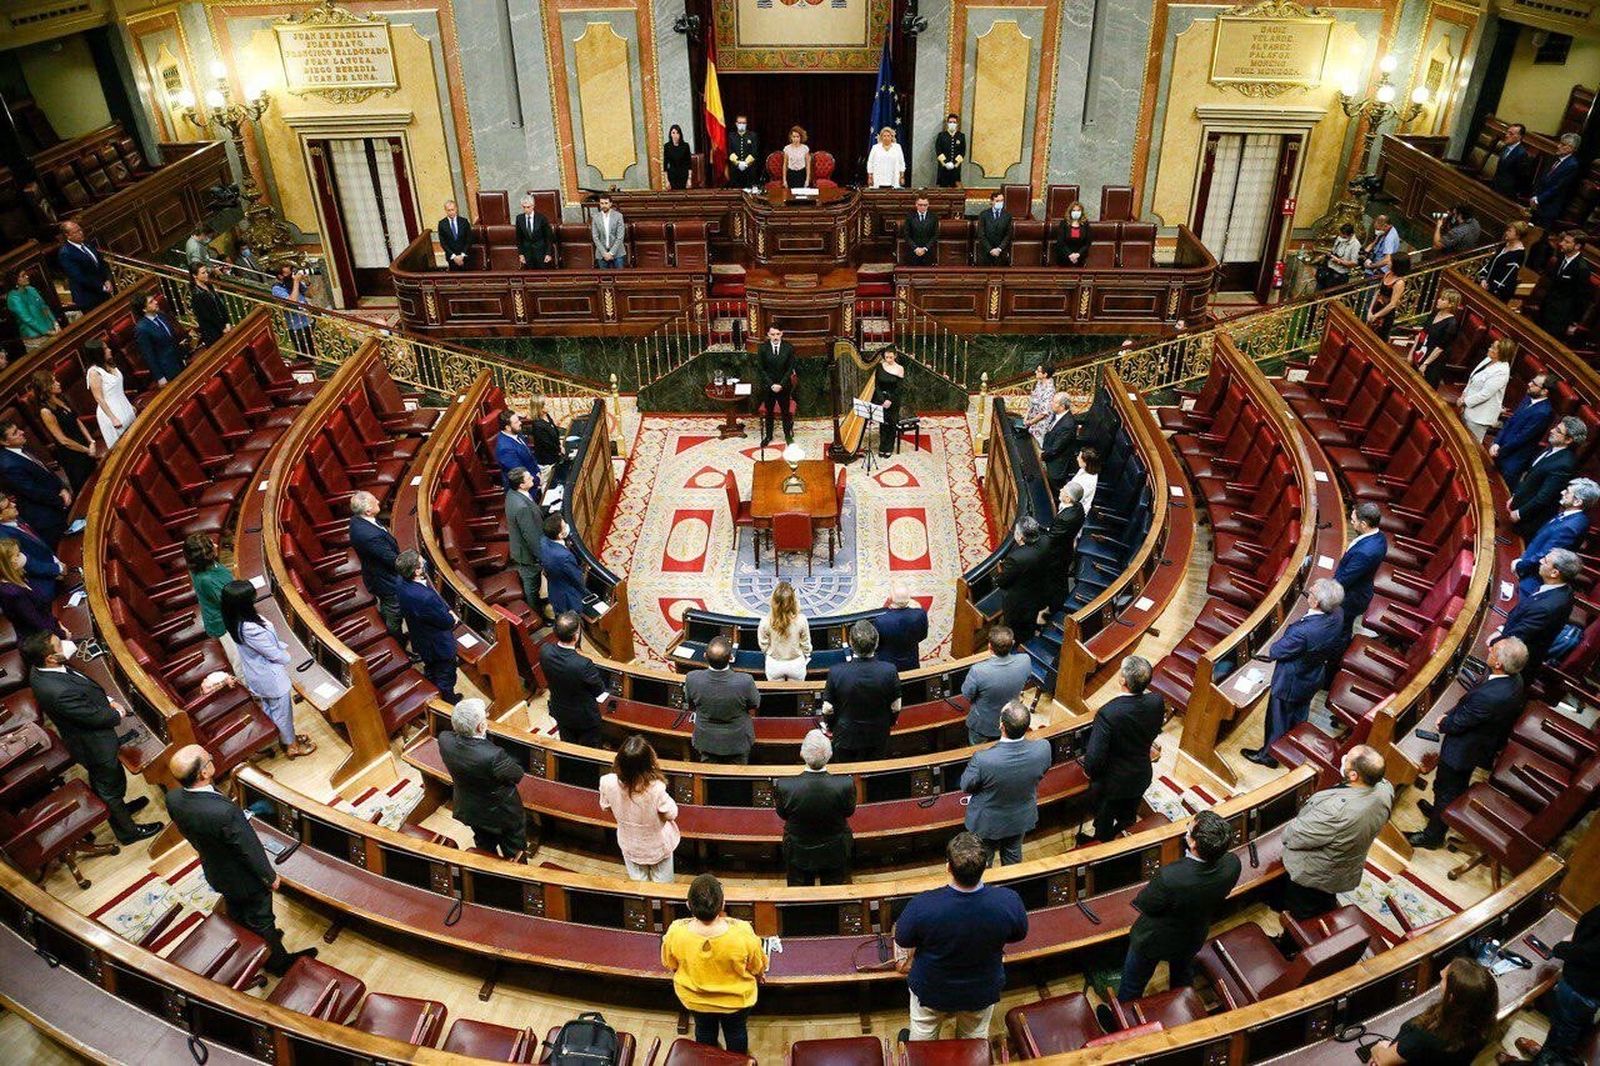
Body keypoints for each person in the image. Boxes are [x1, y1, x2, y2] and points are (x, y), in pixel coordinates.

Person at [166, 744, 317, 975]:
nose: (212, 758)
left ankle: (254, 939)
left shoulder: (174, 798)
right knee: (261, 917)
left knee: (236, 910)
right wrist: (270, 876)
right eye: (209, 759)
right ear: (203, 773)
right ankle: (278, 963)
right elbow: (247, 848)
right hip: (244, 879)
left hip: (215, 869)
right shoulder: (224, 813)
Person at [24, 630, 161, 842]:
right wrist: (117, 712)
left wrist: (106, 698)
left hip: (89, 737)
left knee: (109, 784)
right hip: (94, 745)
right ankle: (128, 832)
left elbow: (81, 691)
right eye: (59, 645)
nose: (66, 645)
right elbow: (93, 717)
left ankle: (120, 810)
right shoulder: (57, 691)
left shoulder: (41, 670)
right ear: (49, 658)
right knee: (109, 787)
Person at [893, 832, 1028, 1041]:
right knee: (973, 1038)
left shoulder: (922, 905)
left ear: (948, 867)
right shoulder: (1009, 900)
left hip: (932, 988)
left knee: (923, 1036)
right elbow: (1019, 934)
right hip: (982, 988)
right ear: (985, 867)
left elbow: (902, 939)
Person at [1113, 809, 1241, 1006]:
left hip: (1154, 939)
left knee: (1133, 984)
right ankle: (1184, 1006)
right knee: (1182, 976)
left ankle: (1122, 1016)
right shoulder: (1233, 864)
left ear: (1193, 844)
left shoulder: (1171, 877)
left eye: (1188, 831)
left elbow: (1146, 904)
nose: (1186, 832)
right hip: (1193, 934)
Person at [1408, 637, 1527, 849]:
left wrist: (1443, 722)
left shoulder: (1491, 697)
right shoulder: (1514, 680)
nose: (1489, 648)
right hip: (1478, 744)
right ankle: (1438, 813)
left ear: (1499, 664)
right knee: (1447, 787)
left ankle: (1433, 836)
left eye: (1494, 650)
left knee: (1448, 789)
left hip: (1462, 751)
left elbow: (1460, 723)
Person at [1280, 744, 1393, 917]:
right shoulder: (1386, 789)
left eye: (1347, 760)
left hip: (1315, 873)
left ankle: (1289, 939)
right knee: (1323, 899)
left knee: (1301, 913)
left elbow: (1293, 837)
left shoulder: (1335, 811)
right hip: (1346, 866)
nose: (1344, 757)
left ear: (1354, 775)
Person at [1244, 578, 1346, 767]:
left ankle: (1268, 756)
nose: (1309, 593)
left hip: (1290, 681)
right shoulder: (1337, 613)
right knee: (1299, 714)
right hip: (1313, 675)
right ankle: (1291, 746)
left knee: (1277, 718)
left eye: (1311, 593)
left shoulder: (1303, 632)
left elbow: (1276, 651)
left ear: (1315, 602)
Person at [661, 874, 767, 1053]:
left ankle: (708, 1059)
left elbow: (669, 963)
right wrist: (759, 974)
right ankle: (737, 1061)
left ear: (688, 905)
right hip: (736, 1000)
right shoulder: (742, 932)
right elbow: (758, 966)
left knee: (704, 1031)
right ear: (723, 905)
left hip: (695, 998)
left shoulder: (675, 931)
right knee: (736, 1032)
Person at [222, 579, 314, 757]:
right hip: (269, 676)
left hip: (258, 673)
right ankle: (292, 746)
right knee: (282, 711)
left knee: (272, 709)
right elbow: (273, 653)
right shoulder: (249, 628)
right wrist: (289, 656)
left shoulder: (234, 619)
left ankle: (283, 737)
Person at [1083, 656, 1164, 843]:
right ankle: (1124, 839)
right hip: (1141, 773)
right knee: (1128, 817)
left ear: (1122, 680)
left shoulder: (1109, 713)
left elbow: (1094, 759)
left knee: (1104, 819)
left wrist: (1090, 772)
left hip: (1112, 783)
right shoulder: (1156, 701)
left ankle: (1103, 845)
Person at [961, 701, 1051, 866]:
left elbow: (966, 785)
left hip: (987, 822)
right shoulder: (1043, 748)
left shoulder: (983, 759)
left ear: (1001, 726)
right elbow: (1042, 772)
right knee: (1013, 859)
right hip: (1019, 817)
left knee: (983, 861)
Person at [438, 697, 526, 858]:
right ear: (481, 726)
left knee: (484, 847)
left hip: (470, 808)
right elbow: (517, 774)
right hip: (502, 813)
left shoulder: (444, 740)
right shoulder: (493, 756)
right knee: (514, 852)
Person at [1371, 959, 1498, 1066]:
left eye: (1443, 979)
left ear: (1451, 997)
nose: (1440, 973)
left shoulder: (1424, 1034)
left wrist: (1379, 1047)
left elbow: (1383, 1060)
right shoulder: (1485, 1026)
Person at [1521, 904, 1600, 1066]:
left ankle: (1547, 1058)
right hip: (1589, 989)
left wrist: (1563, 948)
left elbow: (1590, 955)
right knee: (1575, 1026)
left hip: (1582, 986)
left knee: (1563, 1032)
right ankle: (1551, 1051)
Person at [775, 729, 855, 886]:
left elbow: (782, 814)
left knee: (799, 895)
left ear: (802, 754)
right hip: (835, 849)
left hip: (798, 850)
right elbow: (849, 812)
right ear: (830, 755)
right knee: (835, 891)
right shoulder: (845, 784)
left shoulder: (785, 786)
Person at [599, 735, 679, 881]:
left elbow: (605, 806)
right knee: (662, 889)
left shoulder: (606, 782)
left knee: (640, 887)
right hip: (657, 847)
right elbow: (672, 813)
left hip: (629, 844)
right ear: (648, 764)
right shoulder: (656, 789)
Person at [822, 621, 902, 761]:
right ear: (876, 643)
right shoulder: (889, 670)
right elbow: (896, 706)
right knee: (875, 772)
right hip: (878, 735)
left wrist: (829, 725)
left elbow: (828, 709)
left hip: (846, 736)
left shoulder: (836, 671)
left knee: (846, 774)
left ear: (851, 644)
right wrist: (891, 721)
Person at [1516, 479, 1598, 598]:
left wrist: (1520, 566)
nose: (1562, 492)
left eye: (1568, 492)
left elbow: (1546, 554)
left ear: (1577, 501)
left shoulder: (1570, 527)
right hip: (1529, 562)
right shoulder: (1572, 517)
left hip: (1533, 577)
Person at [395, 549, 459, 702]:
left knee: (431, 668)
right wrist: (452, 617)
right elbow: (445, 622)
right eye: (421, 561)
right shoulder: (424, 598)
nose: (424, 561)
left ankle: (432, 684)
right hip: (438, 645)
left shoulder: (400, 582)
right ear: (417, 571)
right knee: (446, 676)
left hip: (421, 638)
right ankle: (448, 703)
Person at [686, 636, 760, 764]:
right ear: (731, 658)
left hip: (706, 741)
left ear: (705, 656)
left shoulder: (692, 678)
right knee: (738, 779)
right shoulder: (745, 681)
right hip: (737, 741)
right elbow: (754, 703)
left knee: (708, 780)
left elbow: (690, 704)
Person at [1497, 550, 1577, 667]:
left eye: (1545, 561)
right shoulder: (1562, 589)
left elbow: (1517, 638)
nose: (1540, 561)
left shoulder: (1546, 607)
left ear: (1554, 573)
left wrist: (1495, 640)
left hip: (1511, 662)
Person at [540, 610, 609, 746]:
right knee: (590, 749)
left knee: (567, 744)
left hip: (559, 710)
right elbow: (599, 690)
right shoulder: (583, 664)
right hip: (584, 718)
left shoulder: (544, 651)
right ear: (576, 636)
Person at [1510, 417, 1586, 540]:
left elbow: (1543, 497)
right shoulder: (1552, 448)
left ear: (1569, 440)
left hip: (1528, 519)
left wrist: (1520, 513)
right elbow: (1530, 476)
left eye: (1558, 430)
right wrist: (1515, 496)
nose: (1551, 431)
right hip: (1519, 504)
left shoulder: (1565, 464)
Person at [349, 491, 406, 648]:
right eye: (375, 502)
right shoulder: (369, 536)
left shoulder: (358, 520)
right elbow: (392, 560)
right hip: (386, 581)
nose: (379, 502)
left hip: (379, 573)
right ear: (367, 511)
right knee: (394, 615)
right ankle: (397, 645)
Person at [0, 420, 70, 548]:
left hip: (55, 504)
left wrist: (62, 488)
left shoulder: (20, 448)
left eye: (18, 429)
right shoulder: (8, 465)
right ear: (4, 442)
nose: (22, 432)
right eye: (15, 433)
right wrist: (60, 500)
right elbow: (34, 492)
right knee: (67, 547)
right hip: (46, 518)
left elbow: (44, 470)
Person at [1331, 503, 1388, 654]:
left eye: (1354, 520)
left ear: (1364, 524)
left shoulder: (1365, 552)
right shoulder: (1380, 537)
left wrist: (1323, 589)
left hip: (1352, 598)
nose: (1351, 522)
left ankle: (1336, 658)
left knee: (1342, 629)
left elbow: (1344, 579)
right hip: (1360, 588)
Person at [961, 626, 1031, 746]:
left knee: (977, 751)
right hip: (1011, 720)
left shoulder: (978, 670)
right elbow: (1027, 680)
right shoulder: (1025, 660)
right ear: (1013, 643)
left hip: (983, 725)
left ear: (989, 647)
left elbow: (967, 694)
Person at [29, 370, 96, 492]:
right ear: (45, 387)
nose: (58, 383)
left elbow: (77, 421)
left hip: (84, 445)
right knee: (87, 488)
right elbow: (63, 440)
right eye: (53, 382)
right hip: (73, 455)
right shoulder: (45, 411)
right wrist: (86, 450)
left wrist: (91, 441)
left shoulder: (61, 398)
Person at [185, 534, 242, 673]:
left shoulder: (203, 566)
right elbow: (229, 602)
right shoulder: (207, 579)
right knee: (239, 661)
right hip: (223, 623)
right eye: (212, 546)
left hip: (225, 612)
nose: (216, 545)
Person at [1493, 372, 1556, 487]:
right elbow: (1510, 422)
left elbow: (1522, 438)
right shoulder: (1528, 398)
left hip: (1512, 461)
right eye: (1532, 380)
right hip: (1501, 451)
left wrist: (1500, 450)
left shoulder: (1544, 413)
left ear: (1544, 391)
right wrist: (1496, 442)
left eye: (1534, 384)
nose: (1529, 384)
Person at [996, 518, 1050, 644]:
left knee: (1016, 629)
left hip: (1019, 602)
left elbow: (1002, 581)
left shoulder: (1016, 558)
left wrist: (997, 578)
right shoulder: (1046, 541)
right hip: (1038, 591)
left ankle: (1018, 646)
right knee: (1029, 622)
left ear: (1020, 537)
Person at [0, 491, 65, 596]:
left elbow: (36, 542)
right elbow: (24, 562)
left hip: (53, 565)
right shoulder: (4, 538)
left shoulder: (14, 517)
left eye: (10, 502)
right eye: (8, 506)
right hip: (46, 583)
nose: (14, 505)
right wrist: (56, 569)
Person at [0, 538, 62, 639]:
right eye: (18, 554)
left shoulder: (19, 577)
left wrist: (58, 623)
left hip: (49, 628)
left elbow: (42, 611)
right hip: (41, 641)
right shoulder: (13, 593)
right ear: (12, 562)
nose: (23, 556)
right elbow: (39, 624)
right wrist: (62, 633)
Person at [1538, 230, 1591, 340]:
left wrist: (1574, 323)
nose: (1561, 243)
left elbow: (1582, 299)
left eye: (1567, 242)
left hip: (1560, 318)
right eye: (1563, 240)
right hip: (1546, 308)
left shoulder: (1582, 269)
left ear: (1577, 246)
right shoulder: (1561, 258)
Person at [505, 466, 544, 613]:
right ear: (521, 484)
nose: (533, 478)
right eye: (529, 478)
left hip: (521, 547)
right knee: (532, 585)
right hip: (527, 555)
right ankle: (536, 613)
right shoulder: (522, 507)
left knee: (532, 583)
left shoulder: (513, 493)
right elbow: (531, 536)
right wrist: (543, 557)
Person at [1459, 337, 1514, 441]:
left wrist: (1464, 402)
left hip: (1479, 417)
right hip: (1467, 407)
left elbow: (1485, 394)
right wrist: (1463, 395)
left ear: (1501, 353)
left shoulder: (1502, 371)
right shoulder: (1488, 359)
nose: (1489, 348)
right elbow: (1472, 378)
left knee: (1470, 444)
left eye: (1493, 348)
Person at [757, 580, 811, 681]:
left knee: (776, 695)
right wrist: (805, 655)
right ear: (793, 601)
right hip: (796, 664)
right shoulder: (801, 620)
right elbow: (806, 644)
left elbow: (763, 645)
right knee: (798, 692)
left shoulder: (765, 621)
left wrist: (771, 653)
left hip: (774, 664)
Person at [1046, 482, 1086, 609]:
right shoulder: (1078, 507)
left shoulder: (1066, 518)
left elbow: (1052, 537)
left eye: (1063, 490)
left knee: (1056, 582)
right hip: (1065, 547)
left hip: (1058, 554)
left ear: (1068, 498)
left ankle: (1057, 609)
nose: (1061, 489)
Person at [1530, 133, 1583, 228]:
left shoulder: (1572, 165)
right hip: (1537, 202)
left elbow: (1558, 187)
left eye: (1563, 144)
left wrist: (1539, 199)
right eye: (1560, 143)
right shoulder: (1554, 158)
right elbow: (1542, 178)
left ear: (1571, 148)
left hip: (1549, 206)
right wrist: (1535, 195)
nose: (1558, 146)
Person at [133, 292, 185, 386]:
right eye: (151, 302)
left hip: (179, 360)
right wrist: (160, 377)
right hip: (167, 369)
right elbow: (149, 355)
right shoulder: (141, 329)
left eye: (154, 299)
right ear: (144, 309)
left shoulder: (161, 315)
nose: (156, 302)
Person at [57, 221, 112, 310]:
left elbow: (101, 262)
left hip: (103, 290)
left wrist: (107, 280)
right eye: (76, 232)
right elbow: (79, 277)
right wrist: (101, 286)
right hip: (88, 297)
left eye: (80, 230)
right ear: (68, 235)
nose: (81, 233)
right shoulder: (65, 253)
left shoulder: (87, 243)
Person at [540, 513, 588, 615]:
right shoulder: (564, 557)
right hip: (568, 596)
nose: (567, 525)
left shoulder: (544, 541)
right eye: (565, 525)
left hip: (554, 589)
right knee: (574, 619)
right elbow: (577, 578)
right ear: (560, 535)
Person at [757, 325, 797, 447]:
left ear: (782, 333)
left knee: (785, 412)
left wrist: (781, 384)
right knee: (769, 412)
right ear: (768, 335)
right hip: (769, 387)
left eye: (778, 334)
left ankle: (787, 435)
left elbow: (790, 368)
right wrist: (771, 385)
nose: (775, 337)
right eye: (773, 334)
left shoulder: (788, 348)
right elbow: (761, 369)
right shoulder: (762, 348)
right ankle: (768, 436)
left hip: (784, 386)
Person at [1412, 289, 1461, 387]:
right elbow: (1422, 333)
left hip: (1433, 362)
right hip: (1421, 352)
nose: (1438, 300)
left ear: (1451, 304)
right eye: (1440, 298)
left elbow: (1440, 348)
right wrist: (1412, 352)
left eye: (1442, 299)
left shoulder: (1451, 324)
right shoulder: (1435, 313)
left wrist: (1425, 364)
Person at [876, 584, 928, 672]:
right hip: (911, 663)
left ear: (891, 599)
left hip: (888, 665)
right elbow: (923, 636)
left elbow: (877, 644)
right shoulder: (920, 614)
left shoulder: (881, 620)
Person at [6, 268, 58, 348]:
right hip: (35, 336)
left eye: (26, 274)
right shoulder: (13, 297)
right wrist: (47, 331)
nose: (27, 276)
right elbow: (27, 319)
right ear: (15, 280)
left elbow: (44, 307)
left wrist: (55, 323)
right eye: (23, 276)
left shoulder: (31, 289)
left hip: (51, 329)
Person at [1039, 394, 1079, 494]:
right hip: (1048, 450)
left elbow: (1056, 449)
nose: (1051, 404)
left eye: (1054, 402)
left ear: (1062, 406)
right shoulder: (1057, 415)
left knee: (1052, 491)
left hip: (1057, 463)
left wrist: (1040, 456)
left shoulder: (1068, 425)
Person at [271, 266, 315, 358]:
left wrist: (307, 282)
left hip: (307, 321)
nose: (292, 275)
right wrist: (296, 281)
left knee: (313, 351)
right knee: (304, 355)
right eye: (288, 273)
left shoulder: (294, 283)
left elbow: (310, 295)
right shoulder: (277, 289)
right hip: (296, 326)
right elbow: (292, 301)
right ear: (280, 276)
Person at [1478, 222, 1528, 301]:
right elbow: (1491, 263)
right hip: (1486, 285)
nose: (1506, 233)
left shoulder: (1519, 254)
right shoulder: (1505, 244)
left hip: (1498, 292)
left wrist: (1491, 287)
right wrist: (1483, 279)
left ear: (1518, 235)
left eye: (1509, 231)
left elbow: (1507, 275)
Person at [1366, 252, 1409, 339]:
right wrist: (1370, 310)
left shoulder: (1399, 282)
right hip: (1377, 307)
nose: (1388, 263)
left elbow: (1392, 304)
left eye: (1390, 262)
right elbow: (1378, 292)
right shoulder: (1388, 274)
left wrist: (1376, 316)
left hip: (1385, 315)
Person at [494, 409, 539, 489]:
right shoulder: (505, 450)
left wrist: (538, 471)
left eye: (518, 420)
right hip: (525, 487)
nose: (520, 423)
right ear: (508, 427)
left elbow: (528, 453)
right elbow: (521, 475)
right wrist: (538, 480)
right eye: (516, 422)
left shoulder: (516, 431)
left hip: (534, 473)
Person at [873, 348, 906, 456]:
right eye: (886, 357)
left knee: (891, 423)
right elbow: (877, 385)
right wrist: (882, 400)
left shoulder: (900, 368)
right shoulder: (880, 367)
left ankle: (889, 448)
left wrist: (890, 400)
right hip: (882, 398)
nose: (888, 359)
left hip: (894, 399)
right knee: (883, 423)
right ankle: (882, 447)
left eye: (891, 357)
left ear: (895, 356)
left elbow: (899, 388)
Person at [189, 264, 230, 346]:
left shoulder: (208, 285)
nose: (206, 274)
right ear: (194, 276)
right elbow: (207, 316)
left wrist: (227, 322)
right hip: (213, 333)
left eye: (206, 272)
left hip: (223, 326)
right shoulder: (196, 294)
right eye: (203, 273)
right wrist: (222, 328)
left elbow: (219, 304)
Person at [1490, 123, 1533, 198]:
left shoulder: (1521, 154)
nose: (1507, 135)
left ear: (1519, 137)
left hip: (1507, 193)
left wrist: (1514, 192)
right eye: (1507, 132)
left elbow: (1522, 177)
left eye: (1511, 134)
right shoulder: (1505, 147)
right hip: (1495, 186)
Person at [514, 196, 554, 268]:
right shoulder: (519, 218)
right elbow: (519, 238)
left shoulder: (542, 218)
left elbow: (548, 237)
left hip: (540, 253)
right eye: (524, 207)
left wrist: (548, 253)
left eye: (528, 207)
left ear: (533, 206)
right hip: (527, 254)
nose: (526, 209)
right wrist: (521, 254)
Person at [1318, 223, 1362, 289]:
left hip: (1339, 274)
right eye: (1341, 235)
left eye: (1344, 237)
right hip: (1328, 269)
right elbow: (1334, 250)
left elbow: (1354, 263)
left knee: (1331, 296)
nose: (1341, 238)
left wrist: (1339, 262)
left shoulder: (1356, 245)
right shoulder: (1339, 238)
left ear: (1351, 235)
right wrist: (1330, 254)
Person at [1022, 364, 1057, 445]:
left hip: (1041, 426)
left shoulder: (1049, 390)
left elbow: (1044, 413)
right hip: (1032, 422)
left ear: (1045, 374)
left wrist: (1030, 422)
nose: (1035, 372)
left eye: (1038, 371)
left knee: (1037, 448)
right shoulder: (1039, 383)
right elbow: (1032, 402)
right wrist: (1026, 418)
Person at [590, 194, 626, 269]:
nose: (604, 205)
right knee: (604, 279)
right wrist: (604, 253)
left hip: (617, 252)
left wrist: (611, 253)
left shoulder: (618, 216)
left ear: (610, 204)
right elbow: (595, 237)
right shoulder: (595, 217)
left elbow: (620, 237)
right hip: (602, 253)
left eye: (606, 203)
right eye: (602, 203)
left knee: (619, 278)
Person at [977, 190, 1012, 264]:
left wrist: (999, 249)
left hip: (1001, 253)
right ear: (991, 202)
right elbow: (981, 234)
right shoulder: (983, 215)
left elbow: (1008, 235)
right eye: (997, 201)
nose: (1000, 203)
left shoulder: (1007, 216)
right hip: (986, 253)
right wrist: (990, 249)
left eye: (1002, 200)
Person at [904, 195, 939, 266]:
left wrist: (925, 248)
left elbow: (935, 235)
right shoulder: (910, 216)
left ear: (928, 205)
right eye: (920, 205)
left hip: (928, 252)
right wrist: (916, 248)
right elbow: (906, 235)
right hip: (913, 252)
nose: (923, 207)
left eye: (925, 205)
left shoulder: (934, 217)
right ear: (916, 205)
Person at [726, 115, 760, 188]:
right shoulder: (731, 136)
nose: (742, 125)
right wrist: (738, 163)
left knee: (749, 190)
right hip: (735, 169)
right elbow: (730, 151)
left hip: (749, 169)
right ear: (736, 124)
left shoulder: (752, 135)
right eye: (740, 123)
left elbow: (754, 151)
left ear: (746, 124)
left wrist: (745, 163)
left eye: (744, 123)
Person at [1055, 203, 1091, 267]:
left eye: (1078, 210)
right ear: (1070, 212)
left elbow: (1087, 243)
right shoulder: (1064, 224)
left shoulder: (1085, 224)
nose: (1076, 212)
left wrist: (1078, 254)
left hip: (1080, 258)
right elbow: (1060, 242)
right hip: (1064, 257)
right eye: (1074, 210)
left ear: (1082, 212)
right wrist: (1070, 255)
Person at [934, 114, 965, 187]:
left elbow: (962, 151)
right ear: (947, 123)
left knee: (955, 187)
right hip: (943, 168)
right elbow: (938, 150)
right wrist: (945, 163)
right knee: (943, 188)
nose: (952, 124)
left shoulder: (961, 136)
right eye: (950, 122)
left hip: (955, 168)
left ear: (957, 124)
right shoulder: (941, 136)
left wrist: (955, 164)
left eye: (954, 122)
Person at [1067, 446, 1099, 515]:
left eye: (1079, 457)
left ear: (1085, 463)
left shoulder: (1087, 482)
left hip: (1075, 513)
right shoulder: (1086, 469)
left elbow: (1074, 501)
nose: (1077, 458)